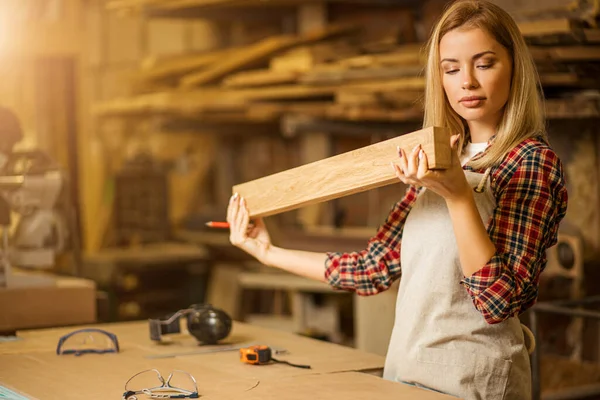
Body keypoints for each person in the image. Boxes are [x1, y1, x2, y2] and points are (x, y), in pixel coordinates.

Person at [226, 0, 568, 398]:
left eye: (485, 63)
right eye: (451, 68)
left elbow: (497, 300)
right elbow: (372, 268)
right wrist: (266, 251)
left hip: (476, 380)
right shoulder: (438, 158)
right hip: (406, 371)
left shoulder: (531, 163)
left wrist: (459, 197)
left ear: (514, 67)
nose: (467, 83)